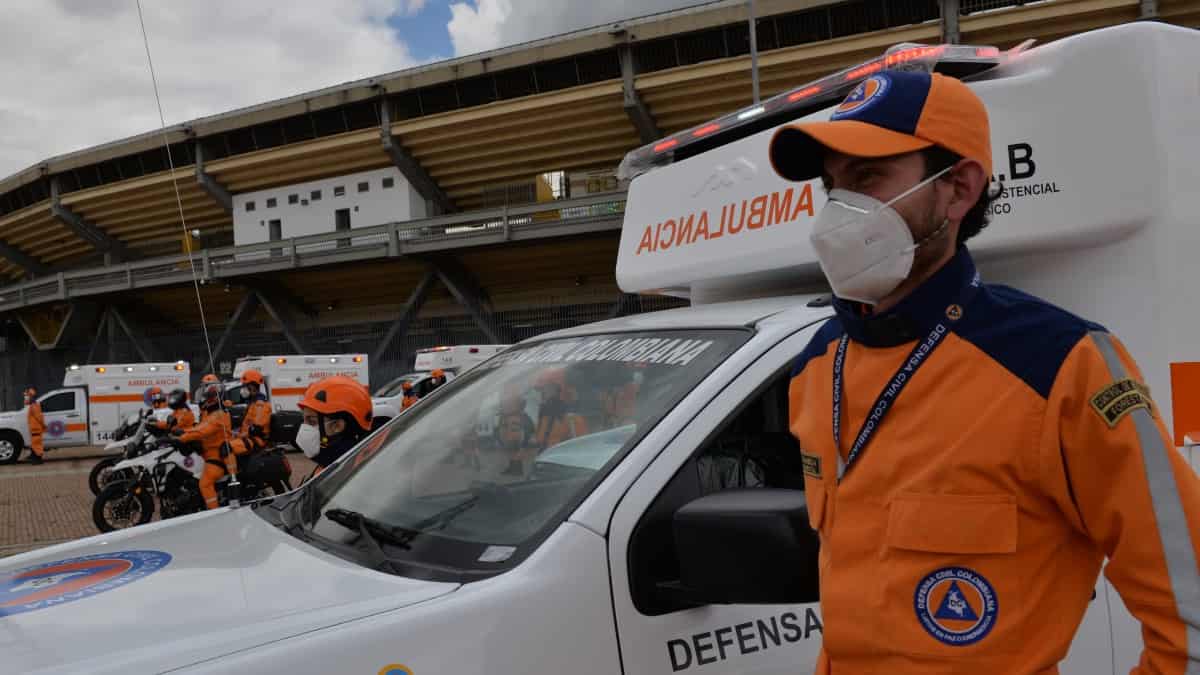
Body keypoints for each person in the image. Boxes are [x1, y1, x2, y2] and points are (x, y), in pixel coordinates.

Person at [769, 70, 1200, 672]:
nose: (841, 209)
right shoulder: (818, 364)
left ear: (959, 188)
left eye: (868, 178)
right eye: (832, 185)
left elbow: (1191, 607)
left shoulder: (1059, 365)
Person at [173, 381, 233, 510]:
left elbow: (203, 431)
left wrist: (182, 438)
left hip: (217, 456)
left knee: (205, 483)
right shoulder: (212, 414)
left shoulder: (219, 415)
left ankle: (214, 513)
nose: (205, 399)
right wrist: (182, 432)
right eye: (205, 396)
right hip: (208, 453)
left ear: (216, 397)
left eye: (209, 396)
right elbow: (200, 427)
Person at [296, 375, 373, 474]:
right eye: (304, 420)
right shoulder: (331, 465)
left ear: (337, 426)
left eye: (311, 421)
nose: (304, 427)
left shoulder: (350, 474)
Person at [233, 369, 272, 455]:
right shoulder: (252, 404)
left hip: (257, 441)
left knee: (228, 448)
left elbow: (256, 429)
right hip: (248, 439)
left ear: (253, 388)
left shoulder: (260, 405)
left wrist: (239, 435)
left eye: (244, 386)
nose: (242, 390)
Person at [24, 388, 43, 465]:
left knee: (37, 444)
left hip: (36, 428)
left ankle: (38, 460)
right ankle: (35, 458)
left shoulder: (34, 405)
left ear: (31, 396)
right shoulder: (33, 405)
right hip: (34, 428)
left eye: (27, 396)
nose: (25, 397)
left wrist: (44, 426)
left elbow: (39, 418)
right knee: (35, 444)